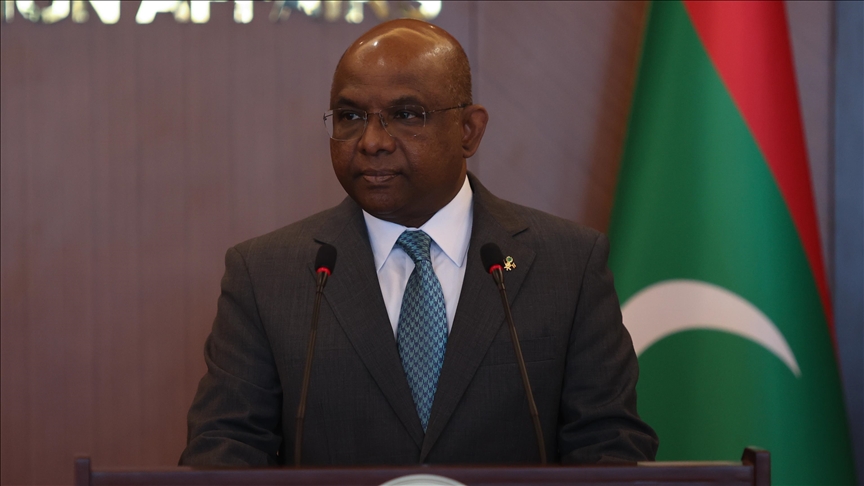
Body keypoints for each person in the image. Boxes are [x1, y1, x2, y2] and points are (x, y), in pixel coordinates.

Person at [180, 18, 657, 466]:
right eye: (350, 116)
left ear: (469, 131)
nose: (371, 141)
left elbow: (609, 446)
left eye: (405, 114)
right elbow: (223, 452)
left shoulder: (567, 265)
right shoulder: (267, 275)